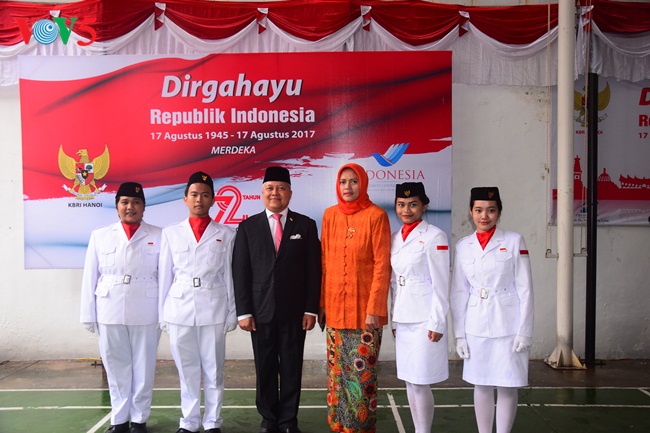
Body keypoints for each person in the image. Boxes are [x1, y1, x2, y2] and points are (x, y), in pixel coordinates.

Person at [232, 166, 322, 433]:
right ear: (262, 193)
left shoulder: (305, 225)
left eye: (281, 188)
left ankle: (288, 420)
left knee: (292, 368)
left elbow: (314, 270)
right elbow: (240, 271)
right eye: (270, 188)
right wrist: (244, 312)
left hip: (295, 313)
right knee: (265, 368)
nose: (275, 193)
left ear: (290, 193)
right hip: (260, 313)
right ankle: (269, 419)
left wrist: (310, 309)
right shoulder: (248, 227)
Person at [450, 187, 534, 433]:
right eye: (478, 210)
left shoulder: (514, 241)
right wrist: (459, 334)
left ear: (499, 212)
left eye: (490, 210)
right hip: (476, 324)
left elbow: (525, 289)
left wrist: (525, 331)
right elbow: (458, 292)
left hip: (508, 323)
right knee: (482, 383)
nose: (484, 216)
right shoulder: (463, 246)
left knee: (507, 384)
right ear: (470, 212)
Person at [158, 171, 237, 433]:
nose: (199, 200)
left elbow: (229, 275)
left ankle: (212, 422)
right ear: (185, 199)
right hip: (179, 308)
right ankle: (189, 422)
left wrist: (232, 311)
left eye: (205, 195)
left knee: (214, 370)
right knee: (187, 370)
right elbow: (165, 275)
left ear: (213, 200)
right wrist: (162, 313)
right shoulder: (171, 233)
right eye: (194, 194)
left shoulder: (226, 233)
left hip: (213, 307)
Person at [80, 182, 162, 433]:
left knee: (144, 367)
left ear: (144, 207)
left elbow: (165, 276)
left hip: (147, 308)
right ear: (117, 206)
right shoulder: (100, 235)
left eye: (136, 202)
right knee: (115, 367)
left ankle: (139, 420)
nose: (130, 207)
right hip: (110, 307)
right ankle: (119, 420)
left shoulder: (159, 235)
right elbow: (90, 276)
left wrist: (165, 313)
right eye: (125, 202)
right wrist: (88, 314)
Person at [319, 163, 391, 433]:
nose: (347, 187)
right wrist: (322, 304)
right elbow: (324, 262)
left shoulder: (376, 216)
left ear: (363, 183)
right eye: (342, 182)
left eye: (353, 181)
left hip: (365, 315)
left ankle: (359, 427)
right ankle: (338, 425)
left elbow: (382, 265)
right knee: (337, 375)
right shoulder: (330, 215)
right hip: (335, 311)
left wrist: (375, 308)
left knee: (361, 377)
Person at [389, 182, 449, 433]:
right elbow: (394, 283)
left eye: (413, 204)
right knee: (409, 380)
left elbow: (441, 283)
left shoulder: (435, 236)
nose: (406, 210)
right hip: (403, 317)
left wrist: (438, 321)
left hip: (425, 318)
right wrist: (393, 319)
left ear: (424, 206)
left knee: (421, 381)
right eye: (401, 205)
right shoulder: (395, 238)